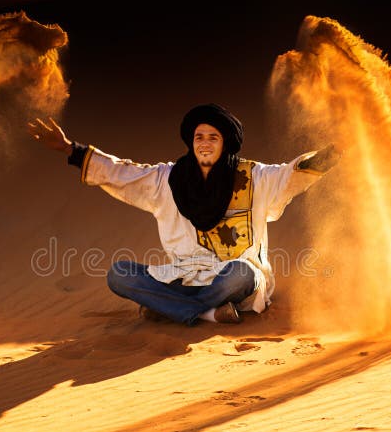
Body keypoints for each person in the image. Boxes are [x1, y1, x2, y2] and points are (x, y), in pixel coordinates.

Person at [27, 103, 341, 325]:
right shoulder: (168, 178)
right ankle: (207, 313)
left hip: (233, 280)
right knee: (118, 274)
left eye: (213, 137)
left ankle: (171, 310)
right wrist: (70, 149)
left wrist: (333, 152)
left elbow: (292, 174)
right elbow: (120, 173)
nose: (204, 143)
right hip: (184, 277)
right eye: (199, 137)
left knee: (241, 273)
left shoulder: (254, 176)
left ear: (225, 143)